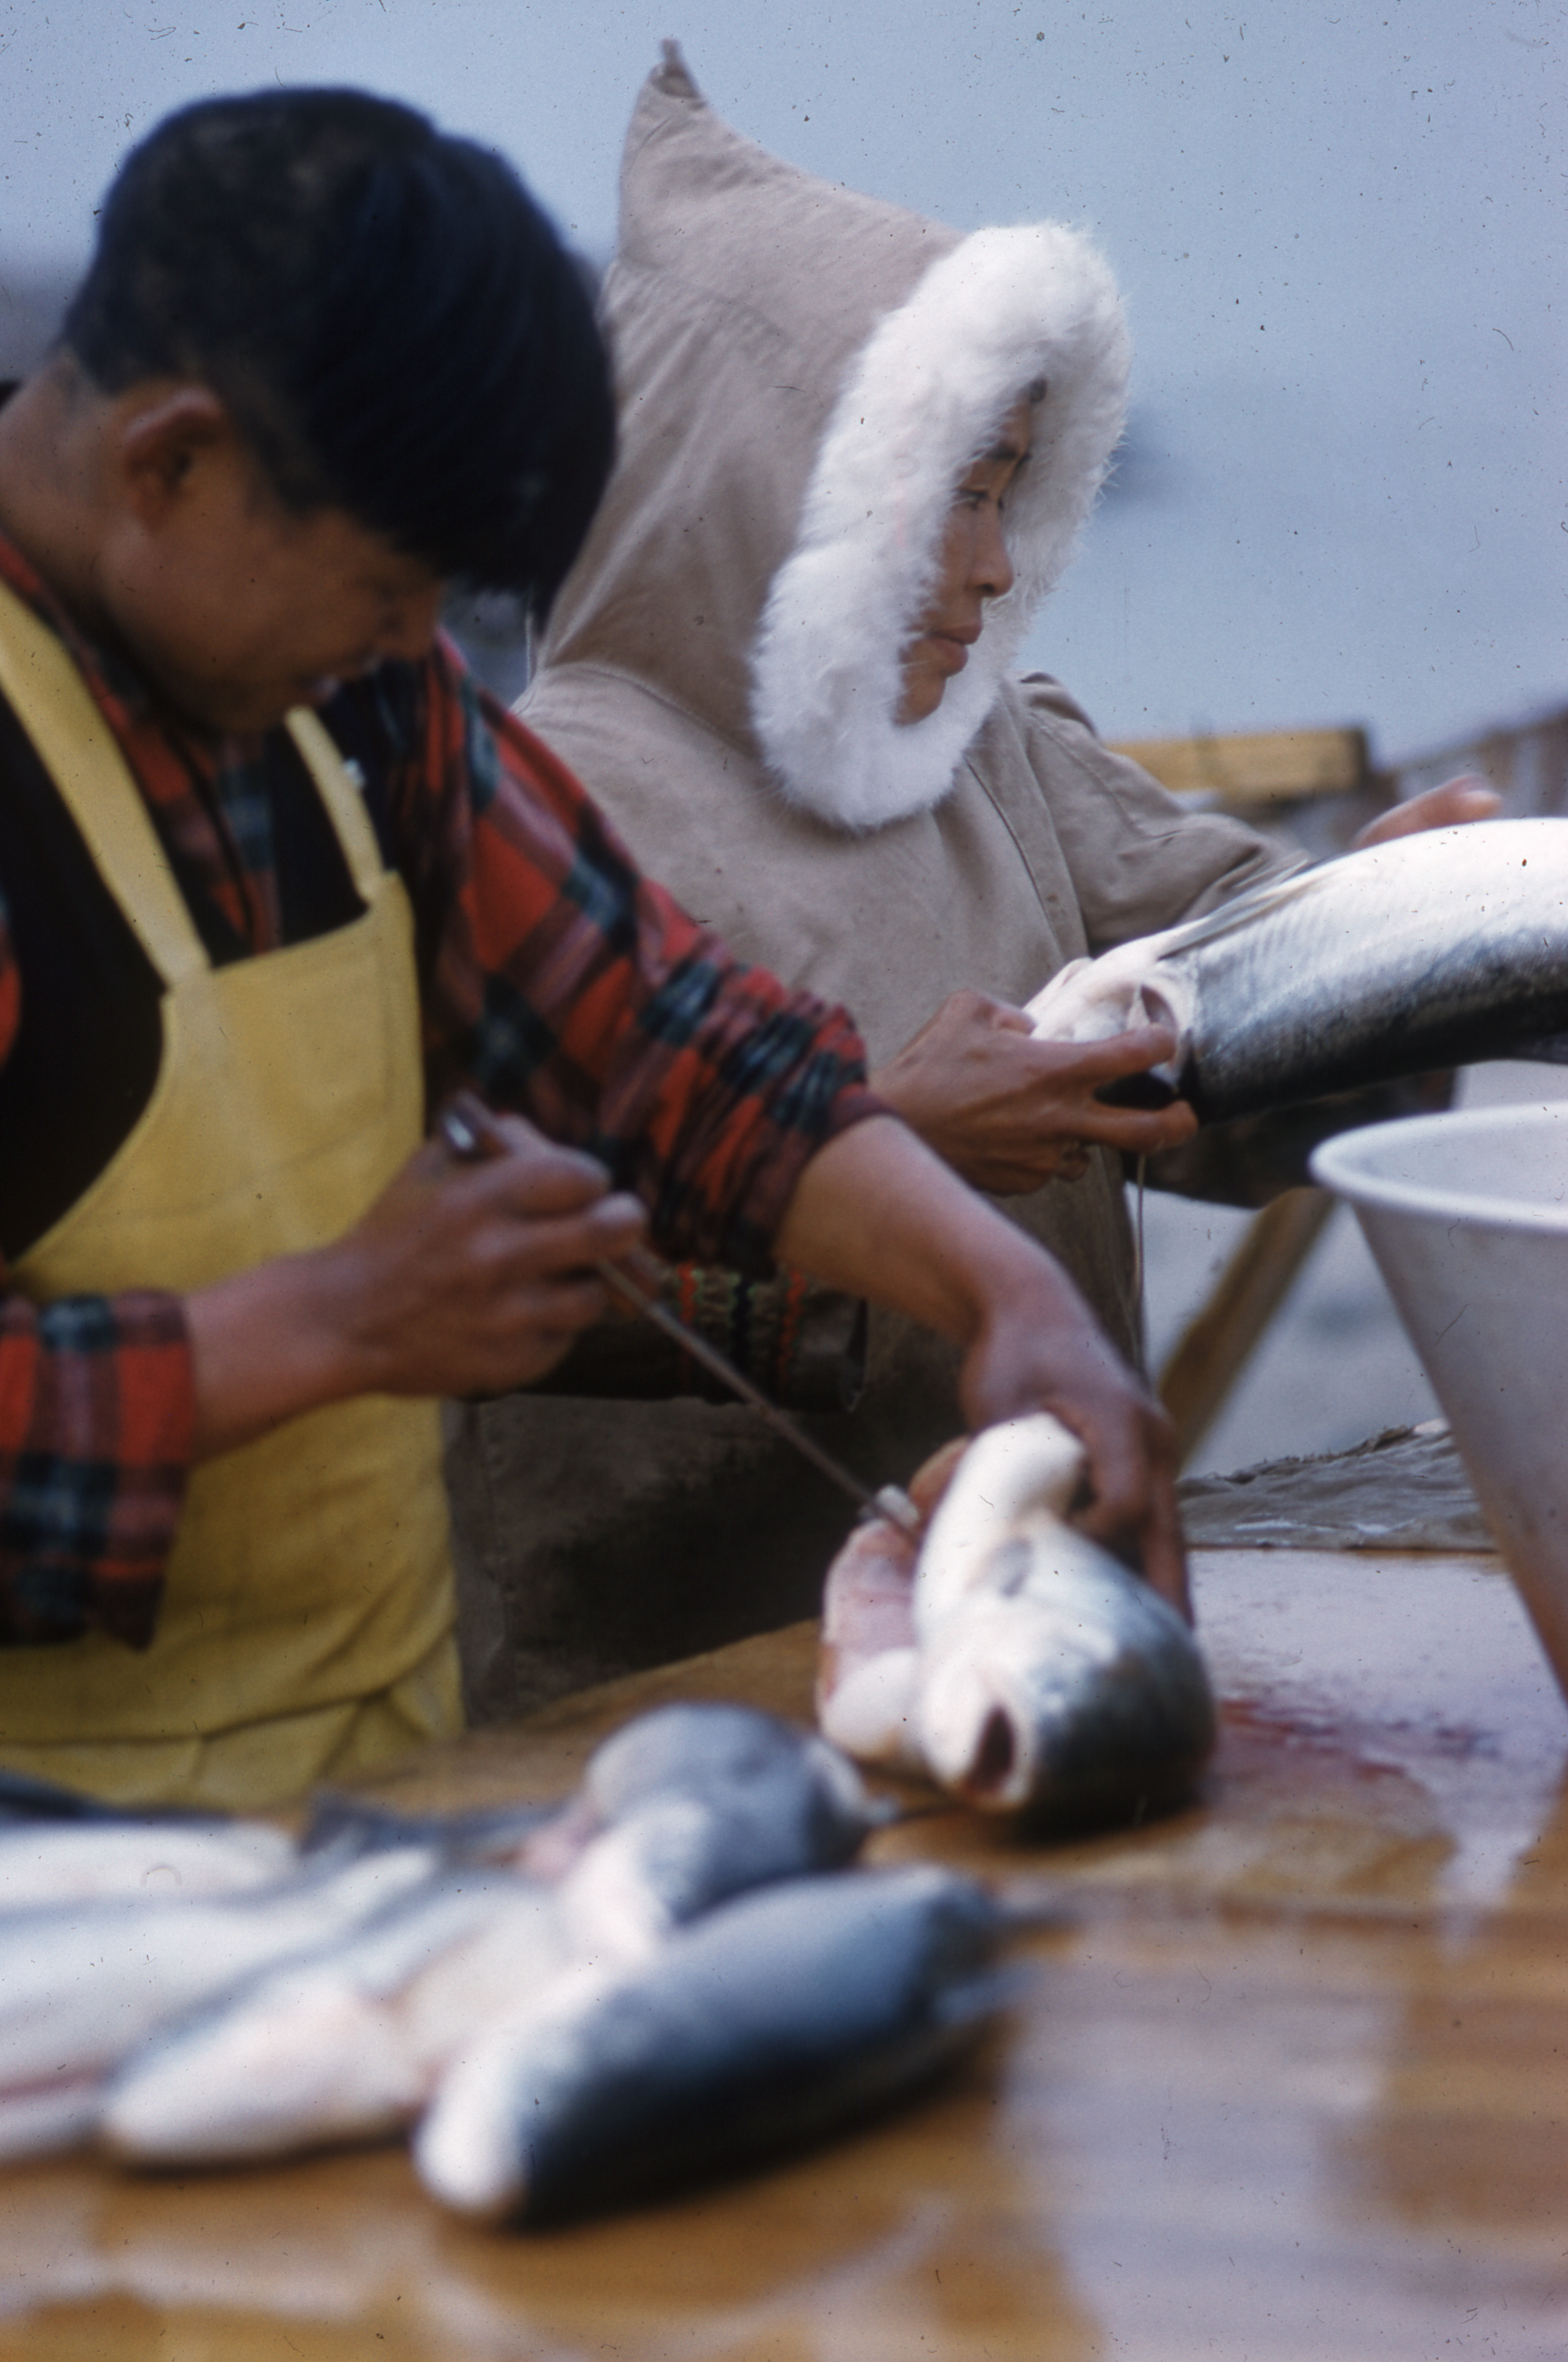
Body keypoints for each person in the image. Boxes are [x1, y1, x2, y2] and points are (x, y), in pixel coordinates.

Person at [0, 86, 1183, 1810]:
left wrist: (1008, 1296)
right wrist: (326, 1324)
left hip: (376, 1795)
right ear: (169, 462)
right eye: (390, 590)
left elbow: (662, 1039)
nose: (421, 655)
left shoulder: (353, 695)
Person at [447, 48, 1498, 1718]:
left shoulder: (980, 738)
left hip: (1049, 1624)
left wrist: (1399, 923)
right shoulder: (526, 802)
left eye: (1011, 492)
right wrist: (889, 1144)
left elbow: (1235, 1034)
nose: (998, 566)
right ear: (776, 486)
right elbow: (455, 1288)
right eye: (948, 494)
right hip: (655, 1696)